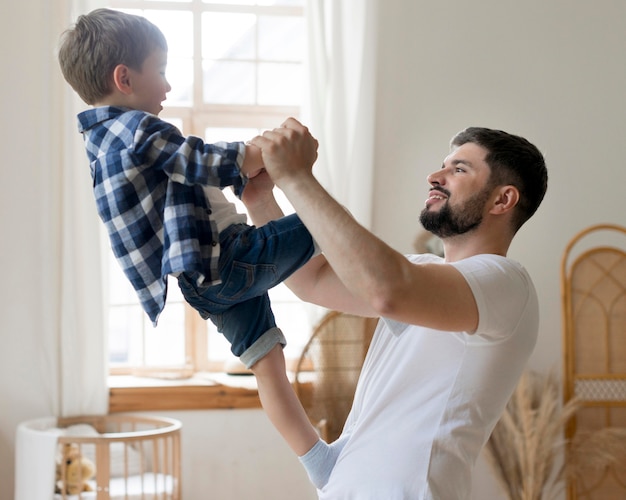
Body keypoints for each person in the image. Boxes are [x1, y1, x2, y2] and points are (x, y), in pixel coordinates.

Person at [57, 8, 323, 460]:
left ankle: (317, 461)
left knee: (268, 365)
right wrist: (258, 153)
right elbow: (199, 160)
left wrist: (243, 176)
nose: (168, 85)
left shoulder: (103, 143)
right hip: (228, 259)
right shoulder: (139, 129)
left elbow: (190, 181)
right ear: (124, 78)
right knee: (325, 223)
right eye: (160, 71)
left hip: (203, 284)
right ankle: (383, 296)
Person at [245, 118, 548, 498]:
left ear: (502, 200)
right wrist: (261, 200)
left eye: (459, 168)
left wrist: (297, 177)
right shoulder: (423, 271)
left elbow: (386, 290)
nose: (435, 176)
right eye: (444, 164)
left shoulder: (505, 283)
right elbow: (311, 280)